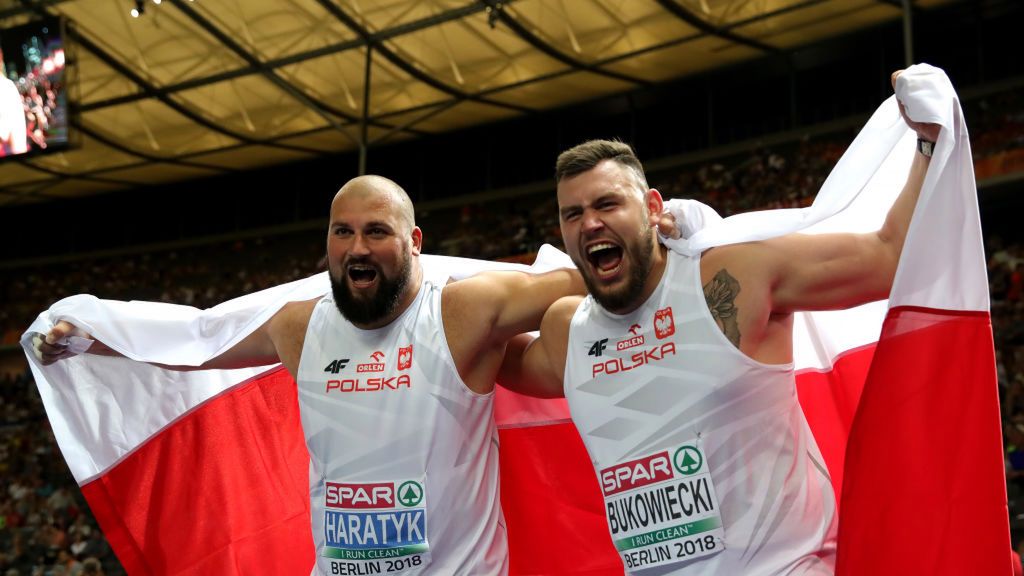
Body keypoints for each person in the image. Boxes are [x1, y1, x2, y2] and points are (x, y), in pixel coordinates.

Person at [497, 70, 940, 574]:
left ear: (652, 207)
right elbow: (466, 349)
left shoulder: (731, 278)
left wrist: (929, 139)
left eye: (607, 203)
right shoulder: (567, 332)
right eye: (571, 214)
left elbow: (888, 257)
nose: (589, 223)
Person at [36, 175, 584, 576]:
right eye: (342, 232)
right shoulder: (299, 328)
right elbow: (199, 342)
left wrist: (670, 232)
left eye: (376, 231)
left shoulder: (461, 313)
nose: (357, 247)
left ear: (415, 242)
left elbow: (584, 277)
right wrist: (93, 336)